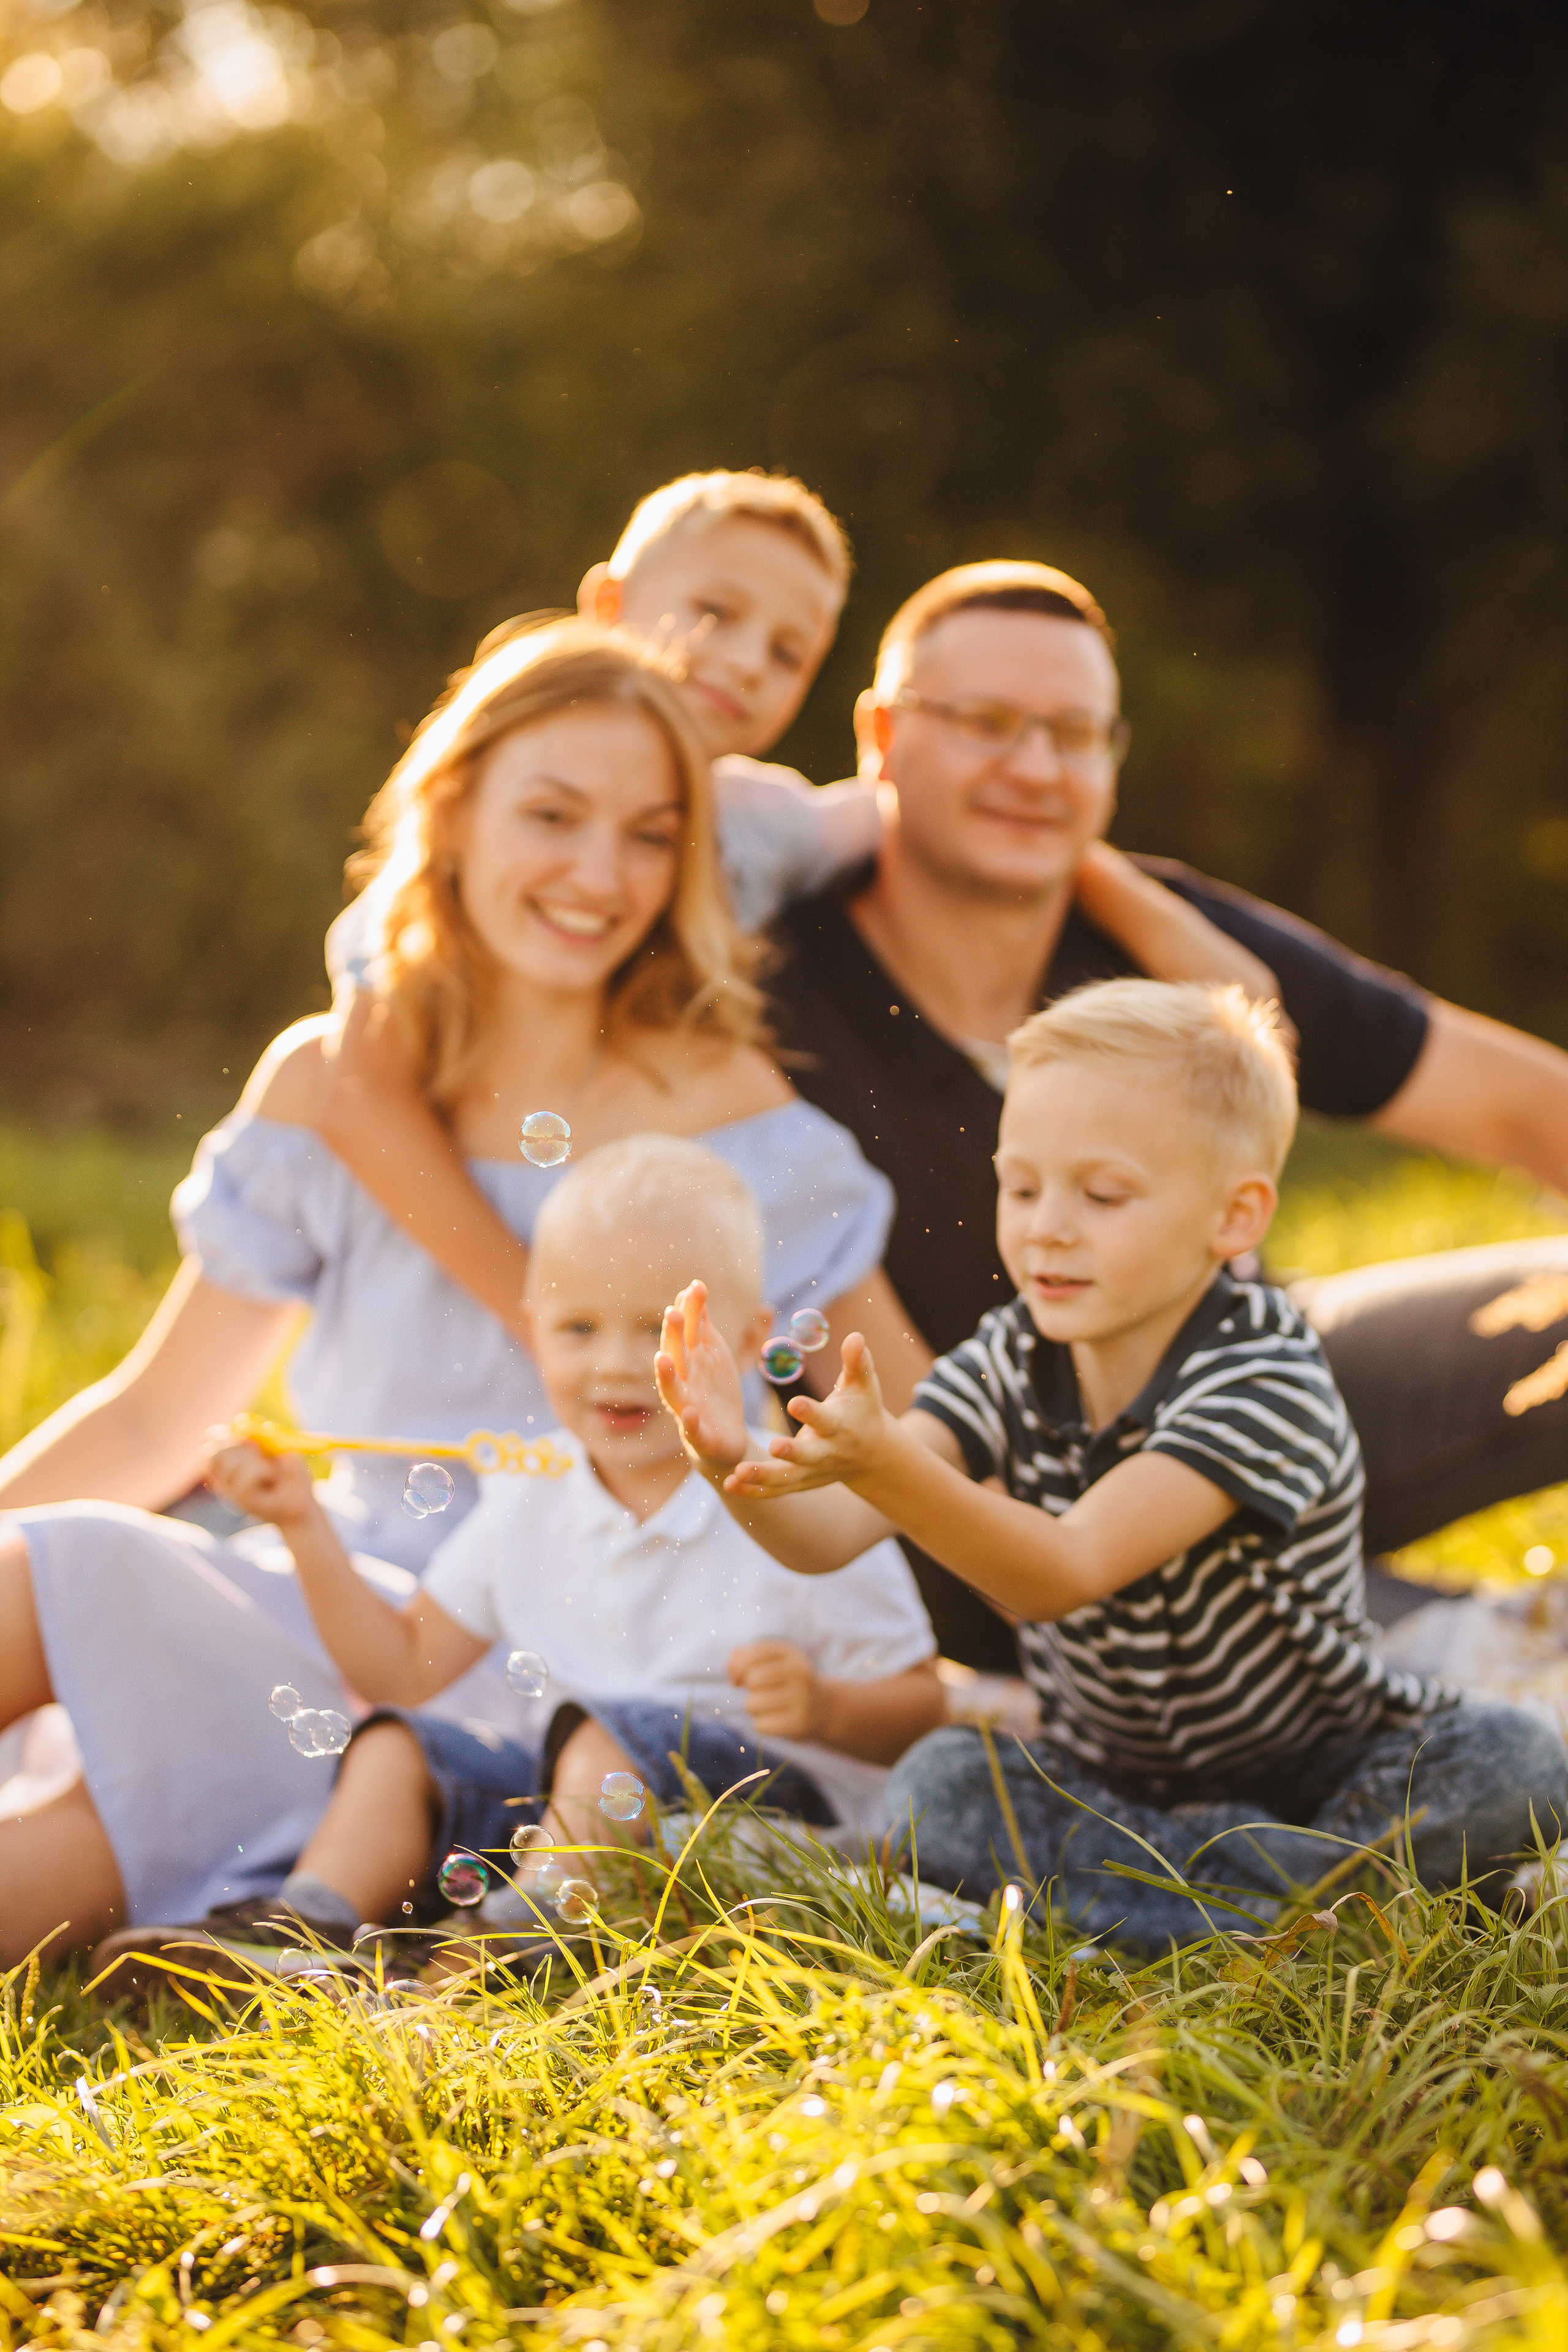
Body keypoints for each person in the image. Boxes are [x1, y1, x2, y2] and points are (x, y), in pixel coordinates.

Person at [0, 619, 919, 1970]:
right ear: (455, 814)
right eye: (550, 814)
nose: (599, 874)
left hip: (548, 1656)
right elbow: (153, 1426)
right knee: (43, 1559)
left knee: (62, 1861)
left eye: (651, 834)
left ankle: (295, 1898)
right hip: (324, 1603)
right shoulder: (333, 1082)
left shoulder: (735, 1127)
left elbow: (906, 1433)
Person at [766, 560, 1568, 1662]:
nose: (1035, 767)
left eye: (1074, 734)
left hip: (1266, 1405)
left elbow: (1531, 1111)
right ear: (883, 734)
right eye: (988, 724)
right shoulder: (771, 992)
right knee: (1474, 1701)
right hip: (1018, 1541)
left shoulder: (1165, 937)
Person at [658, 981, 1567, 1951]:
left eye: (1101, 1195)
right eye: (1022, 1186)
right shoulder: (1013, 1357)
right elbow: (826, 1534)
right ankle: (1288, 1906)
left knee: (1511, 1764)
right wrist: (727, 1457)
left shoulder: (1262, 1379)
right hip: (1115, 1783)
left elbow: (1065, 1570)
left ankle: (1167, 1907)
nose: (1047, 1225)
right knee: (943, 1781)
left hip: (1325, 1766)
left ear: (1234, 1218)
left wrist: (883, 1460)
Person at [312, 481, 1283, 1349]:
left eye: (787, 651)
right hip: (507, 1200)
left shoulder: (770, 823)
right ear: (609, 604)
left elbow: (978, 813)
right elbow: (357, 1088)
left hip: (686, 1182)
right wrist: (540, 1312)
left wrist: (1147, 914)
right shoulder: (490, 826)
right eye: (711, 612)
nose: (740, 662)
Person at [89, 1137, 940, 1990]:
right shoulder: (532, 1499)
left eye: (658, 1331)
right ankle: (300, 1930)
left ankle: (482, 1963)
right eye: (579, 1328)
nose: (614, 1363)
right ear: (533, 1334)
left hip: (752, 1829)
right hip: (565, 1826)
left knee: (611, 1739)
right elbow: (397, 1669)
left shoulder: (801, 1499)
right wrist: (304, 1524)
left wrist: (827, 1707)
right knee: (402, 1747)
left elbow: (922, 1705)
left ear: (751, 1341)